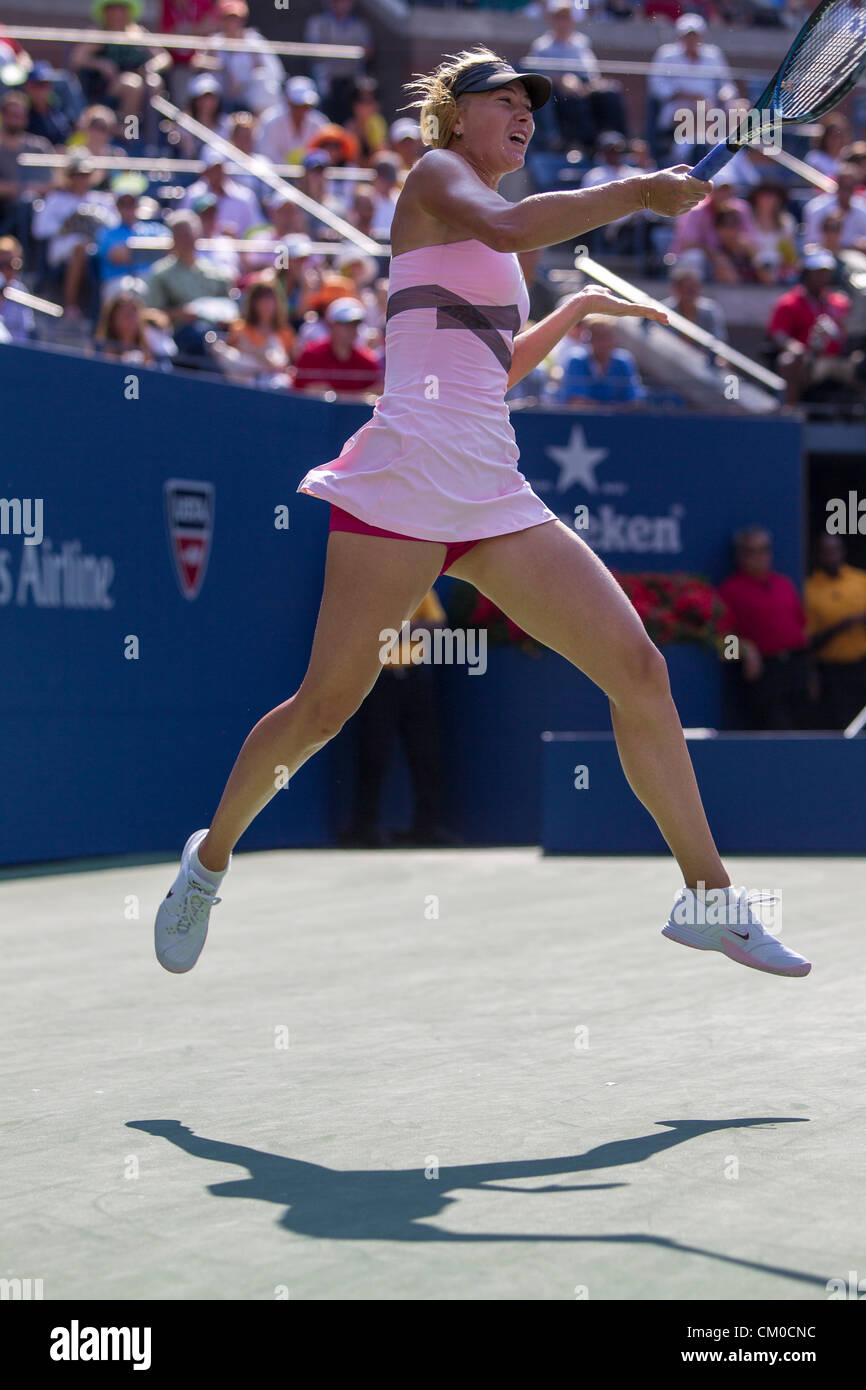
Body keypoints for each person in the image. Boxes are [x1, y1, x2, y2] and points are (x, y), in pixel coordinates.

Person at [154, 47, 810, 979]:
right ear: (456, 115)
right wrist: (637, 192)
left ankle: (710, 899)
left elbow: (486, 374)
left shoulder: (504, 248)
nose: (523, 114)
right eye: (503, 100)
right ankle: (208, 864)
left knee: (639, 670)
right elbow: (506, 228)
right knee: (325, 707)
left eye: (529, 105)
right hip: (405, 479)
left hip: (493, 489)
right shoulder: (435, 177)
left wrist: (572, 310)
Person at [718, 527, 810, 731]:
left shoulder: (784, 584)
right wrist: (745, 649)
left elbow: (802, 628)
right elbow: (721, 643)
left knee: (807, 731)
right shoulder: (729, 590)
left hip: (796, 669)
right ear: (740, 555)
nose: (758, 557)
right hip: (765, 675)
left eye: (763, 550)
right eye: (751, 551)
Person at [648, 14, 735, 163]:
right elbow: (657, 86)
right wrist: (688, 96)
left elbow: (727, 85)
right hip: (677, 105)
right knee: (688, 113)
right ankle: (698, 153)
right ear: (679, 37)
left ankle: (733, 155)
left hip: (710, 105)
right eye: (687, 36)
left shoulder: (714, 55)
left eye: (694, 36)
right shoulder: (666, 54)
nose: (691, 40)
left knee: (739, 108)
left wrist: (724, 97)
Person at [805, 534, 866, 730]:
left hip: (862, 664)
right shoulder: (810, 589)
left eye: (835, 550)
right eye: (826, 552)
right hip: (834, 671)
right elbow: (809, 640)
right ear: (819, 556)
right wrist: (840, 627)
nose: (832, 556)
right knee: (844, 723)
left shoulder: (861, 580)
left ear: (843, 551)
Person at [291, 296, 382, 393]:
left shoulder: (368, 362)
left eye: (355, 324)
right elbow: (296, 391)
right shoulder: (310, 356)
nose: (351, 329)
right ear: (331, 324)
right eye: (345, 324)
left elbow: (375, 395)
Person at [555, 314, 646, 404]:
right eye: (599, 337)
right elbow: (577, 403)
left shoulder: (624, 361)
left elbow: (634, 401)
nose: (605, 343)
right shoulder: (576, 360)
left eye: (609, 337)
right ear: (589, 340)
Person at [254, 76, 328, 166]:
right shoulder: (270, 121)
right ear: (287, 101)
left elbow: (323, 156)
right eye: (296, 105)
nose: (301, 110)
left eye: (305, 106)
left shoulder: (319, 123)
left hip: (310, 177)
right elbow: (266, 155)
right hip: (274, 176)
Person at [803, 164, 866, 251]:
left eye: (850, 187)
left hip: (855, 258)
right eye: (843, 186)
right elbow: (811, 244)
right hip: (823, 256)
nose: (846, 191)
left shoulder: (862, 208)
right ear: (837, 186)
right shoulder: (816, 208)